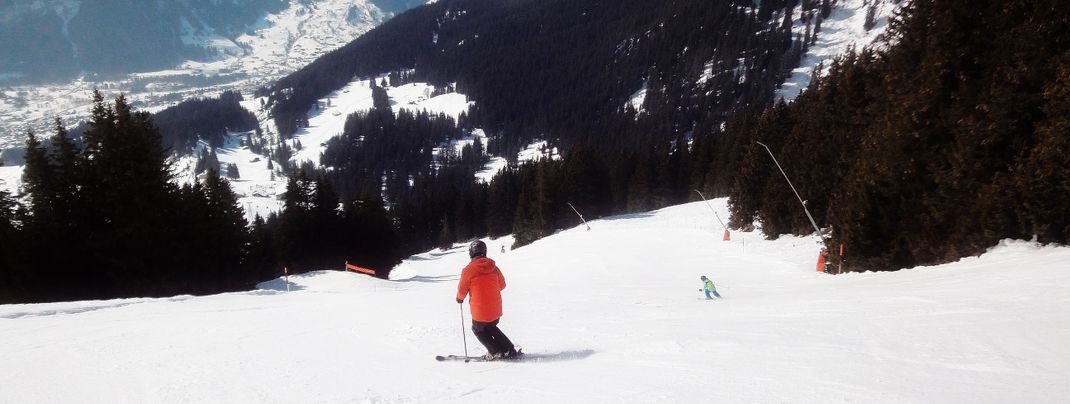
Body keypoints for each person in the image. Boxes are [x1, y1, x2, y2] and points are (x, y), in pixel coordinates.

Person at [456, 240, 519, 360]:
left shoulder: (468, 270)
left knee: (478, 329)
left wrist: (459, 298)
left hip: (479, 311)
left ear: (471, 253)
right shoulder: (493, 267)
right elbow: (502, 285)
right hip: (495, 309)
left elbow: (462, 290)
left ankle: (496, 352)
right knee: (491, 327)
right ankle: (509, 349)